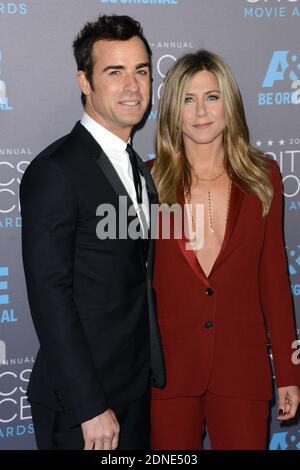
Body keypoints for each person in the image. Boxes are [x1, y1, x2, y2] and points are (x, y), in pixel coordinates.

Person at [20, 14, 165, 451]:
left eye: (141, 71)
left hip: (134, 390)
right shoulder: (56, 171)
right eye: (114, 71)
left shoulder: (139, 167)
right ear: (85, 81)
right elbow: (50, 295)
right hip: (84, 407)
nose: (133, 85)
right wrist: (88, 406)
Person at [150, 49, 300, 450]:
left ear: (229, 104)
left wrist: (288, 372)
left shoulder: (262, 177)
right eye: (188, 98)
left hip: (241, 368)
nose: (201, 111)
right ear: (171, 110)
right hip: (167, 372)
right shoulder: (148, 182)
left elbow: (273, 279)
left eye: (212, 97)